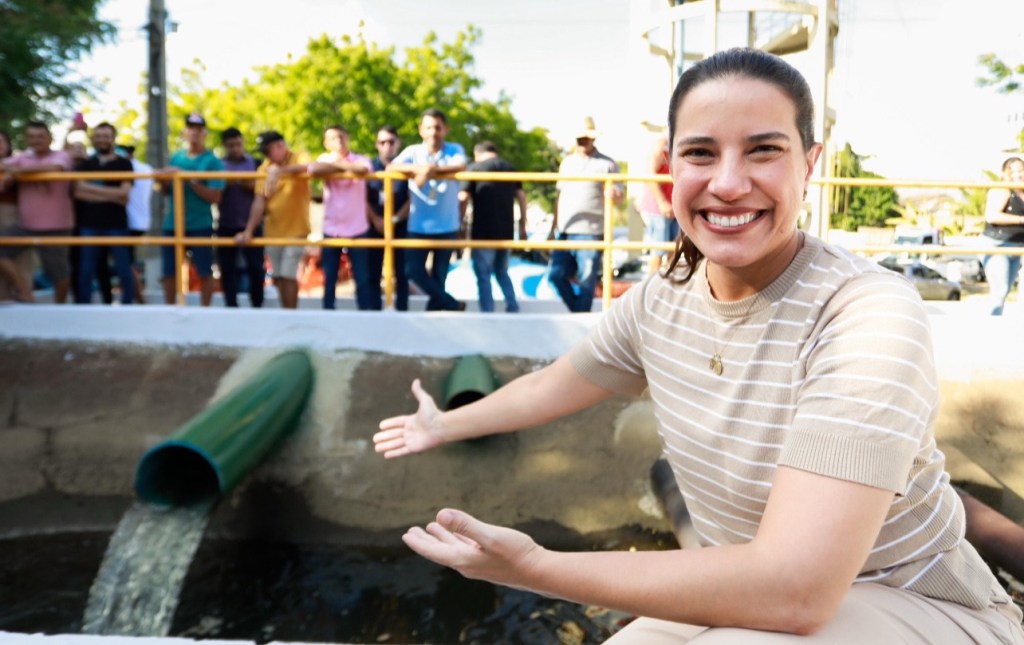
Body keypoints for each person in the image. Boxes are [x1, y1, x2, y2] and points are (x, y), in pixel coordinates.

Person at [374, 48, 1024, 644]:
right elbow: (554, 383)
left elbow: (797, 591)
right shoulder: (663, 298)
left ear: (811, 161)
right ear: (671, 166)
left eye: (764, 149)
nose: (730, 182)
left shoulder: (865, 310)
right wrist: (442, 423)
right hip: (748, 588)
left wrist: (537, 567)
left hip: (911, 599)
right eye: (702, 153)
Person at [388, 108, 467, 311]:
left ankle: (434, 319)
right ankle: (451, 303)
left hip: (447, 225)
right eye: (429, 127)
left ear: (445, 129)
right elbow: (391, 168)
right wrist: (419, 170)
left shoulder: (454, 148)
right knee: (412, 271)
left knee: (439, 278)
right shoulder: (413, 152)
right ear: (421, 130)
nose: (433, 132)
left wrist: (430, 170)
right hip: (418, 225)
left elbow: (460, 166)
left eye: (438, 127)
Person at [548, 116, 623, 313]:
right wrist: (552, 228)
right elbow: (559, 197)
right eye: (579, 139)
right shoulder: (567, 162)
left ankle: (580, 317)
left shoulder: (607, 164)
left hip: (591, 230)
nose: (582, 142)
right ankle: (579, 314)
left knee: (587, 280)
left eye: (585, 138)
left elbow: (619, 195)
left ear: (593, 139)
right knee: (555, 275)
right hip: (565, 229)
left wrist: (614, 193)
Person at [0, 121, 75, 303]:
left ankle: (60, 307)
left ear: (49, 138)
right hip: (26, 225)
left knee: (59, 273)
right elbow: (2, 165)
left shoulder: (62, 155)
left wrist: (17, 172)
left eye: (40, 136)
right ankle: (25, 292)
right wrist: (13, 172)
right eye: (32, 136)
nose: (36, 140)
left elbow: (55, 168)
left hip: (56, 226)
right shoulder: (23, 157)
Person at [155, 113, 225, 306]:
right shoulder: (176, 157)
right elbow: (166, 191)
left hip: (200, 224)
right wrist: (162, 180)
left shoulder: (212, 161)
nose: (194, 132)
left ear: (204, 133)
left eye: (198, 129)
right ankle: (170, 309)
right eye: (190, 128)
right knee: (169, 271)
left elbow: (215, 196)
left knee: (204, 270)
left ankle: (205, 311)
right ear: (184, 132)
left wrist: (186, 177)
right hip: (173, 224)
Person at [236, 130, 310, 309]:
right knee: (278, 277)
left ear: (280, 146)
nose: (265, 155)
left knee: (288, 275)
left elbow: (309, 167)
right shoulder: (264, 168)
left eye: (267, 151)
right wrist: (249, 230)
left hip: (296, 230)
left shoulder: (299, 157)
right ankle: (286, 313)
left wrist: (280, 171)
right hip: (274, 231)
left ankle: (291, 315)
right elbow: (259, 201)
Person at [308, 125, 375, 310]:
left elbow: (362, 170)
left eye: (341, 137)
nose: (338, 141)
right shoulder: (324, 159)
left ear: (348, 138)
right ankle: (328, 312)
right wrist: (343, 166)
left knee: (361, 277)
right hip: (332, 228)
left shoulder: (361, 159)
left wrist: (335, 166)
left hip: (357, 228)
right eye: (333, 138)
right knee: (330, 277)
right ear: (326, 143)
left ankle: (365, 314)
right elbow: (313, 170)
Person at [458, 140, 528, 313]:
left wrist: (459, 224)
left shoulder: (474, 168)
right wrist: (522, 225)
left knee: (483, 275)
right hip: (506, 232)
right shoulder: (510, 168)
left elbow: (463, 198)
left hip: (483, 232)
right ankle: (512, 306)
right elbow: (522, 197)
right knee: (502, 272)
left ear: (477, 153)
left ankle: (487, 311)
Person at [73, 122, 135, 305]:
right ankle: (83, 307)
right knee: (86, 269)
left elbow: (124, 195)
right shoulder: (85, 164)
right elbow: (78, 193)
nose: (102, 140)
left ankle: (128, 306)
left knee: (124, 269)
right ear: (93, 139)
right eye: (98, 136)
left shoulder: (124, 164)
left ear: (113, 139)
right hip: (88, 224)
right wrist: (112, 195)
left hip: (117, 224)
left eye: (106, 136)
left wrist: (89, 190)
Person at [216, 128, 264, 308]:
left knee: (256, 269)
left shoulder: (256, 162)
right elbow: (216, 189)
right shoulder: (218, 164)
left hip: (252, 224)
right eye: (231, 146)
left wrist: (241, 182)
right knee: (227, 269)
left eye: (238, 144)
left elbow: (260, 188)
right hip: (226, 224)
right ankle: (231, 306)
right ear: (224, 146)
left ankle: (257, 305)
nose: (235, 148)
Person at [367, 125, 411, 311]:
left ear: (398, 143)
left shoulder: (408, 166)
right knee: (372, 273)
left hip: (400, 226)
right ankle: (374, 312)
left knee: (402, 273)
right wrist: (377, 220)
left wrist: (393, 220)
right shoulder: (368, 167)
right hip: (373, 226)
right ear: (377, 144)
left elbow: (412, 198)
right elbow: (362, 198)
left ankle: (402, 313)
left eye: (391, 142)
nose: (387, 146)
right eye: (382, 142)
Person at [982, 156, 1024, 316]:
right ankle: (991, 328)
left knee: (1008, 292)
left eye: (1021, 170)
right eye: (1013, 171)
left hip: (1019, 248)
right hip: (997, 245)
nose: (1018, 175)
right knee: (1000, 291)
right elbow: (991, 216)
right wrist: (1021, 220)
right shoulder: (1002, 189)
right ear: (1005, 174)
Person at [0, 129, 34, 302]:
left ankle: (24, 293)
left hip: (12, 213)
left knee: (19, 256)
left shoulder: (20, 162)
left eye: (1, 142)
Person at [117, 143, 153, 304]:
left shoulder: (129, 168)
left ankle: (136, 299)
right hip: (139, 222)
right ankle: (137, 298)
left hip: (129, 222)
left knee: (126, 264)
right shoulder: (146, 168)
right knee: (128, 263)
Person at [639, 133, 678, 274]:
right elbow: (650, 173)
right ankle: (652, 287)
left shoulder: (677, 142)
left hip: (674, 206)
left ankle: (667, 283)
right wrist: (662, 202)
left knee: (674, 248)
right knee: (659, 250)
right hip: (657, 208)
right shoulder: (662, 144)